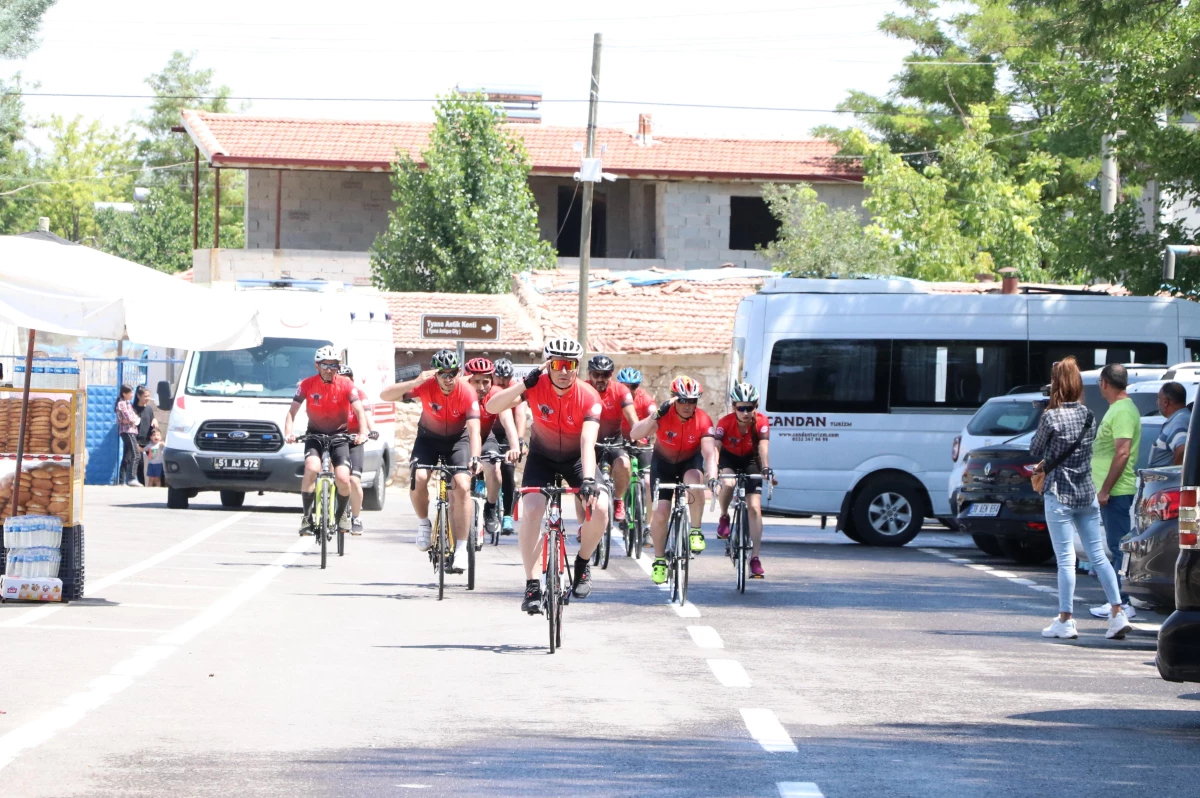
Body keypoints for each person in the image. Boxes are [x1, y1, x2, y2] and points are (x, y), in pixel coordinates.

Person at [486, 337, 608, 611]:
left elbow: (588, 441)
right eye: (557, 364)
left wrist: (588, 480)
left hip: (576, 459)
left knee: (600, 508)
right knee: (531, 509)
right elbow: (492, 407)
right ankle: (531, 585)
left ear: (577, 366)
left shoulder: (589, 396)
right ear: (547, 365)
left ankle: (583, 564)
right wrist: (523, 384)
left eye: (570, 365)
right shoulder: (535, 386)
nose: (564, 371)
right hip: (542, 457)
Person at [1030, 357, 1131, 640]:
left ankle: (1066, 619)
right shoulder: (1089, 415)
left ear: (1056, 385)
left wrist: (1047, 414)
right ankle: (1117, 612)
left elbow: (1035, 447)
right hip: (1086, 493)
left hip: (1059, 494)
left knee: (1066, 560)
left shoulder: (1051, 416)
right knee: (1098, 555)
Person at [380, 350, 481, 553]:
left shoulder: (467, 392)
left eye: (452, 373)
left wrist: (475, 456)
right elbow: (385, 395)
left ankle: (461, 547)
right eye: (443, 374)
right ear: (435, 374)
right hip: (428, 439)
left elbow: (474, 429)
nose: (448, 378)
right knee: (419, 477)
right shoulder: (425, 386)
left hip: (457, 441)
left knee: (462, 485)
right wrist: (415, 382)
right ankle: (424, 524)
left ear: (459, 373)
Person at [629, 375, 719, 586]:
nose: (689, 406)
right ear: (673, 399)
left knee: (695, 480)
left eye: (693, 401)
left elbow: (709, 453)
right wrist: (655, 416)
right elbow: (635, 434)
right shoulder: (662, 416)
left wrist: (712, 477)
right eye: (683, 400)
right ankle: (660, 560)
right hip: (664, 465)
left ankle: (695, 529)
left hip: (689, 462)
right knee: (660, 513)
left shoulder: (703, 420)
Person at [283, 346, 369, 536]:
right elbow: (292, 411)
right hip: (315, 434)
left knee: (343, 478)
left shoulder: (346, 384)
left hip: (339, 435)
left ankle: (341, 516)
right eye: (325, 365)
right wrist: (288, 432)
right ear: (317, 366)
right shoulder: (307, 384)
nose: (329, 369)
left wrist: (362, 433)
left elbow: (359, 410)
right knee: (312, 468)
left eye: (334, 365)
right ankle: (306, 517)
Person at [1088, 363, 1141, 620]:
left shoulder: (1122, 411)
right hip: (1111, 490)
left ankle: (1122, 602)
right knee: (1115, 545)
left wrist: (1106, 489)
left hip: (1116, 490)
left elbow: (1122, 452)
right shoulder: (1118, 409)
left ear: (1104, 383)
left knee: (1119, 547)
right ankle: (1118, 601)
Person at [714, 382, 775, 578]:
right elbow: (716, 447)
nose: (746, 412)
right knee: (729, 482)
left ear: (755, 407)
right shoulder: (725, 423)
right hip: (729, 457)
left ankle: (755, 558)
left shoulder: (762, 422)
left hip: (750, 459)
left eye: (750, 408)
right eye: (741, 408)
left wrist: (765, 468)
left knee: (755, 508)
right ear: (734, 408)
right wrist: (714, 469)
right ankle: (724, 516)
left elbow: (763, 447)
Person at [464, 357, 521, 538]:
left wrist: (515, 446)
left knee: (495, 468)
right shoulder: (461, 392)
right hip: (462, 439)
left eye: (485, 382)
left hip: (486, 437)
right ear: (468, 380)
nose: (481, 387)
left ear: (492, 381)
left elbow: (507, 420)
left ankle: (490, 507)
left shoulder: (496, 393)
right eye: (476, 382)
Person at [585, 355, 639, 524]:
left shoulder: (620, 390)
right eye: (596, 374)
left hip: (614, 440)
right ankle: (582, 523)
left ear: (611, 375)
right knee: (582, 480)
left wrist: (638, 434)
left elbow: (632, 416)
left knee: (624, 463)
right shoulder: (583, 389)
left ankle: (618, 499)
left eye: (605, 374)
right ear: (589, 374)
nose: (600, 379)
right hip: (589, 442)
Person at [339, 364, 375, 536]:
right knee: (335, 475)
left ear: (352, 381)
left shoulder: (359, 395)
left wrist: (371, 430)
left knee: (354, 480)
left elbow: (367, 414)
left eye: (346, 381)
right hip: (336, 439)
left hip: (355, 439)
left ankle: (356, 517)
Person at [492, 358, 527, 533]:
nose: (503, 383)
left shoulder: (515, 388)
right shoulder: (487, 387)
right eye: (500, 378)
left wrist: (519, 441)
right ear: (493, 375)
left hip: (508, 434)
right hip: (490, 432)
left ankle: (507, 515)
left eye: (507, 378)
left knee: (508, 469)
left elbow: (520, 416)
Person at [617, 367, 655, 516]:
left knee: (647, 482)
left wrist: (645, 436)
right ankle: (617, 499)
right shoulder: (614, 397)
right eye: (625, 387)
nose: (629, 390)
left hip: (641, 441)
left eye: (633, 386)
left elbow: (654, 417)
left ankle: (647, 526)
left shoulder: (645, 399)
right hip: (619, 441)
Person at [1148, 381, 1190, 468]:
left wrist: (1174, 476)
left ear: (1165, 402)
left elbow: (1183, 451)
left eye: (1158, 398)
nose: (1157, 402)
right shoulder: (1181, 418)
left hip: (1164, 481)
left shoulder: (1179, 421)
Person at [114, 385, 142, 487]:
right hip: (127, 431)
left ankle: (121, 481)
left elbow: (136, 418)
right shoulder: (121, 404)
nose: (132, 395)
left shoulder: (128, 404)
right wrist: (132, 419)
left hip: (132, 430)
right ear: (124, 394)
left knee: (127, 456)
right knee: (136, 454)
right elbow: (130, 417)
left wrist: (133, 419)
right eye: (130, 393)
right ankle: (132, 478)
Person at [132, 386, 158, 484]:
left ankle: (157, 483)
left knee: (155, 461)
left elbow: (152, 420)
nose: (147, 398)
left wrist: (154, 420)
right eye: (145, 396)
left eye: (148, 396)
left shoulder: (149, 409)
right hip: (138, 442)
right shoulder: (133, 409)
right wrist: (135, 443)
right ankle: (140, 483)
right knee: (140, 464)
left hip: (149, 443)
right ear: (138, 396)